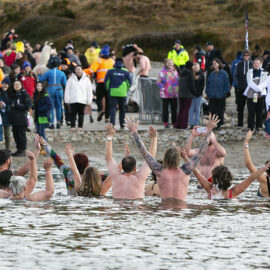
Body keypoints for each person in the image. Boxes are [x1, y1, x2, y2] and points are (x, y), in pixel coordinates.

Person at [125, 114, 219, 202]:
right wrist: (209, 130)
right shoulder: (186, 170)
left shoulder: (159, 170)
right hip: (181, 211)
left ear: (165, 159)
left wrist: (134, 132)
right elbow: (201, 152)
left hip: (164, 211)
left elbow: (144, 152)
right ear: (179, 160)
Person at [105, 122, 157, 199]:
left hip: (119, 207)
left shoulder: (116, 177)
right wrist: (154, 138)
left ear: (122, 167)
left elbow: (108, 157)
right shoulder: (140, 178)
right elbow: (151, 158)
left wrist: (109, 136)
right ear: (135, 168)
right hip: (135, 207)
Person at [193, 162, 270, 200]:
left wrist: (185, 157)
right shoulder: (233, 192)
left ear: (214, 178)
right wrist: (266, 167)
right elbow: (251, 178)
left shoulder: (210, 190)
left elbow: (196, 173)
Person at [84, 45, 114, 122]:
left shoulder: (99, 61)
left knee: (99, 98)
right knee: (108, 101)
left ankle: (100, 109)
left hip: (101, 83)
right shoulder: (112, 61)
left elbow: (91, 70)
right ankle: (107, 117)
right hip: (110, 84)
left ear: (101, 54)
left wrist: (82, 71)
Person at [36, 56, 67, 129]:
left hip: (50, 89)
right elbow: (65, 84)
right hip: (59, 89)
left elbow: (41, 79)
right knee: (59, 107)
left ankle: (52, 123)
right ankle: (59, 123)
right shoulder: (62, 73)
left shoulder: (48, 72)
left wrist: (38, 74)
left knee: (51, 107)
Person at [104, 57, 132, 129]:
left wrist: (108, 89)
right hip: (122, 92)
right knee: (122, 109)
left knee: (113, 108)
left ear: (115, 62)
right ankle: (122, 124)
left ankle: (112, 124)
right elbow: (129, 83)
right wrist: (126, 89)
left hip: (113, 92)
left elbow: (106, 82)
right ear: (122, 63)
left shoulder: (110, 71)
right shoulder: (126, 71)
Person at [243, 57, 268, 132]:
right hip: (251, 94)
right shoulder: (249, 72)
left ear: (261, 64)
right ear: (253, 64)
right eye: (255, 63)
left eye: (258, 63)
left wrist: (259, 89)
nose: (256, 64)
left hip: (261, 94)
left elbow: (265, 83)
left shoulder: (265, 73)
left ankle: (258, 126)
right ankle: (250, 127)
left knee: (259, 111)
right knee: (251, 111)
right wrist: (257, 89)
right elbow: (249, 82)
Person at [64, 65, 93, 131]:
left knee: (81, 114)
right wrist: (67, 99)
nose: (78, 71)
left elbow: (89, 90)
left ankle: (80, 127)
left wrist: (89, 100)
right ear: (75, 70)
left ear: (82, 70)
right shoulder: (70, 79)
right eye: (77, 69)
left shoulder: (86, 79)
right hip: (73, 99)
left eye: (79, 69)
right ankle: (72, 126)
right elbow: (67, 89)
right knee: (73, 114)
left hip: (82, 99)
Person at [8, 80, 32, 157]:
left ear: (21, 85)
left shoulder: (24, 94)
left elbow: (27, 106)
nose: (17, 86)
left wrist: (16, 105)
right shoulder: (13, 94)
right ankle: (18, 150)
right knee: (16, 135)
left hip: (21, 118)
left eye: (18, 84)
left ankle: (22, 150)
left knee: (21, 135)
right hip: (14, 119)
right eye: (15, 84)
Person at [206, 58, 230, 130]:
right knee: (212, 111)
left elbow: (226, 84)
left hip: (221, 95)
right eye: (213, 64)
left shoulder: (224, 73)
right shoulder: (211, 74)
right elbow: (208, 84)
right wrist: (208, 92)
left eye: (216, 63)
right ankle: (213, 124)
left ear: (219, 64)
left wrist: (225, 92)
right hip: (212, 96)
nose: (214, 65)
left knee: (220, 111)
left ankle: (219, 124)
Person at [244, 131, 270, 197]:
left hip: (262, 205)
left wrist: (246, 143)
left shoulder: (264, 180)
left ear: (266, 170)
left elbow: (248, 164)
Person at [156, 58, 179, 128]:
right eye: (168, 63)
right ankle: (166, 123)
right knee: (165, 109)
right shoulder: (162, 72)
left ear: (173, 63)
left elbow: (178, 80)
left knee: (174, 109)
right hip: (165, 94)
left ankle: (174, 122)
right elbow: (158, 82)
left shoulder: (176, 72)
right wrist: (163, 88)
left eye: (171, 63)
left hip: (174, 93)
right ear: (166, 64)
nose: (170, 64)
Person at [233, 49, 253, 128]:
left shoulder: (252, 64)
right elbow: (235, 75)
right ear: (242, 56)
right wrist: (238, 84)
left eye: (247, 55)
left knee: (250, 108)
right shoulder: (239, 65)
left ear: (250, 56)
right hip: (241, 89)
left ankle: (250, 125)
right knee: (240, 107)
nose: (246, 57)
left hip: (251, 89)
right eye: (244, 55)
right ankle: (240, 124)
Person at [174, 61, 196, 129]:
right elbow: (191, 86)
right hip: (188, 95)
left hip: (181, 94)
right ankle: (184, 125)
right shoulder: (190, 74)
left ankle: (178, 124)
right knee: (186, 111)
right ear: (191, 66)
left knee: (181, 110)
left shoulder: (182, 73)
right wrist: (195, 93)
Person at [188, 62, 205, 128]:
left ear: (199, 67)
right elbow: (189, 85)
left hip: (199, 95)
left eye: (197, 67)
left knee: (197, 109)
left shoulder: (201, 74)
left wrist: (198, 93)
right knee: (191, 110)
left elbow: (202, 85)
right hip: (191, 95)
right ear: (193, 68)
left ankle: (196, 123)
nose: (196, 69)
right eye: (195, 68)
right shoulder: (191, 74)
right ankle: (191, 123)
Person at [0, 76, 12, 150]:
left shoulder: (10, 93)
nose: (4, 85)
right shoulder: (1, 92)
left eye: (6, 84)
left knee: (7, 134)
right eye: (3, 84)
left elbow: (10, 104)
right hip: (1, 115)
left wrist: (5, 105)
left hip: (7, 115)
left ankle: (8, 149)